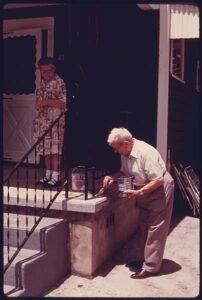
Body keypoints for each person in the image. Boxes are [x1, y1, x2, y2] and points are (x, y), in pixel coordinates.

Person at [103, 127, 174, 279]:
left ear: (126, 143)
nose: (116, 151)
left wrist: (139, 193)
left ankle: (151, 267)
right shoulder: (125, 152)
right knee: (143, 225)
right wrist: (112, 177)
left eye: (117, 148)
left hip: (159, 187)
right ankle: (144, 259)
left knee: (156, 228)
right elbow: (125, 172)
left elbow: (158, 180)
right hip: (144, 188)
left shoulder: (146, 152)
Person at [33, 57, 67, 187]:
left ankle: (56, 176)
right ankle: (47, 175)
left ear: (53, 69)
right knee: (46, 149)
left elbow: (64, 102)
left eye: (48, 71)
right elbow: (38, 102)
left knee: (55, 149)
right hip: (43, 121)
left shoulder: (59, 82)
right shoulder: (41, 84)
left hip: (55, 122)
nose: (45, 74)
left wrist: (46, 102)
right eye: (43, 71)